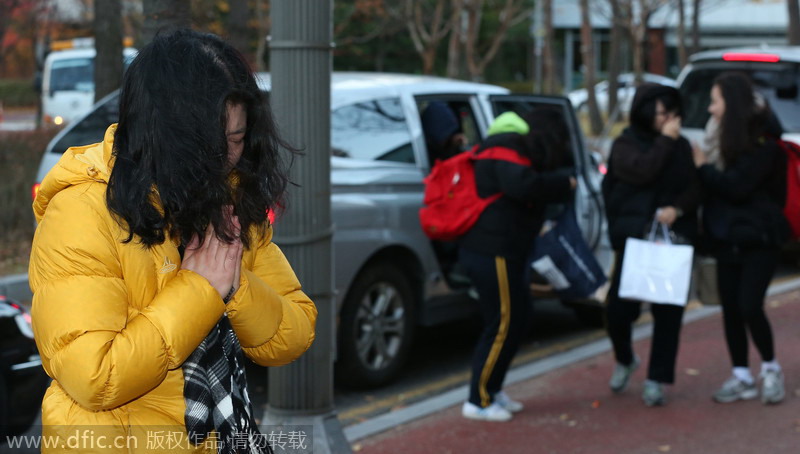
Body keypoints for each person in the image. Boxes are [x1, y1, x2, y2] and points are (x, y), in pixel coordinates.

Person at [29, 29, 317, 452]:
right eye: (209, 145)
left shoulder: (228, 197)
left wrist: (235, 283)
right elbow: (95, 377)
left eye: (236, 139)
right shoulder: (83, 210)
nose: (226, 159)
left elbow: (294, 333)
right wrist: (200, 289)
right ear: (165, 134)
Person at [459, 108, 576, 422]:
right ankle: (479, 400)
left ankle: (492, 390)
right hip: (494, 251)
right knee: (502, 324)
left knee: (518, 318)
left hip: (499, 250)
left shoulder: (501, 146)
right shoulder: (506, 147)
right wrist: (563, 184)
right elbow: (525, 187)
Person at [692, 72, 788, 405]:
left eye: (715, 101)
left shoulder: (763, 142)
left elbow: (736, 186)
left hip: (759, 239)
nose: (710, 109)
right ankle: (741, 375)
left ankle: (771, 368)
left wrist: (704, 168)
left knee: (749, 305)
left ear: (731, 105)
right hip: (725, 237)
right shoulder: (716, 139)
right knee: (731, 309)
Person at [601, 83, 700, 406]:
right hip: (634, 241)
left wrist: (678, 209)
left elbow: (694, 187)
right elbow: (642, 172)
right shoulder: (626, 145)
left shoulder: (681, 146)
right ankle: (625, 357)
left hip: (671, 242)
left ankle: (656, 379)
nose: (670, 120)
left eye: (674, 114)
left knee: (668, 314)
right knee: (618, 310)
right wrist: (666, 141)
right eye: (662, 113)